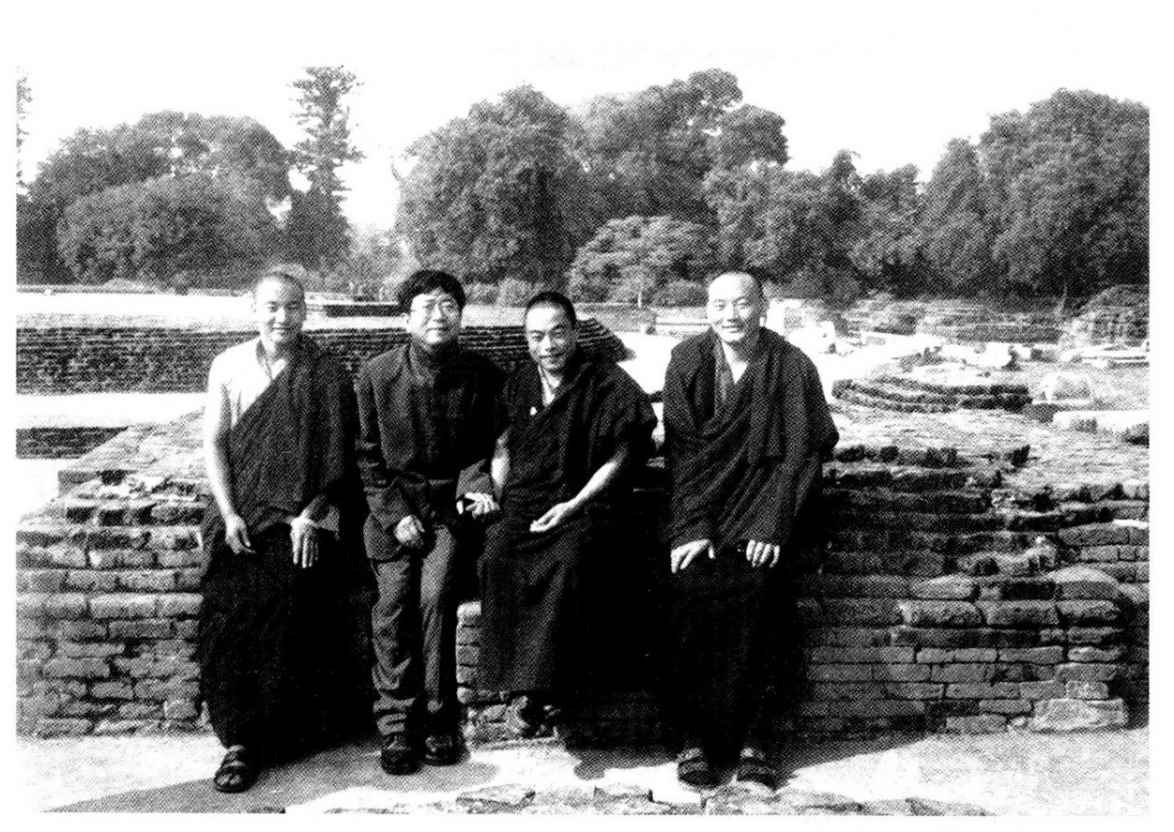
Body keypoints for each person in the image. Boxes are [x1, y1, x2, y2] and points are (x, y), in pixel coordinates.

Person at [662, 271, 838, 790]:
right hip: (701, 513)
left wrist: (771, 523)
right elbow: (683, 454)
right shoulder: (687, 361)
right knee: (686, 590)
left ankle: (754, 739)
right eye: (719, 305)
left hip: (769, 515)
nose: (730, 315)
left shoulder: (791, 366)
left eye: (741, 304)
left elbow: (803, 455)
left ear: (763, 306)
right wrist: (692, 526)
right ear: (707, 310)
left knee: (761, 595)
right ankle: (692, 737)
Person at [198, 269, 363, 793]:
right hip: (242, 515)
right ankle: (237, 737)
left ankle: (269, 736)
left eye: (293, 307)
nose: (282, 317)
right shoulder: (228, 366)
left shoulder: (326, 372)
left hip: (304, 517)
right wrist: (229, 514)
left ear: (305, 312)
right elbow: (215, 444)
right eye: (271, 306)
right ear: (253, 309)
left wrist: (309, 514)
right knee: (226, 609)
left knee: (286, 598)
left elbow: (339, 462)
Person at [477, 291, 657, 737]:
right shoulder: (518, 383)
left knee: (569, 560)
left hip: (587, 503)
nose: (549, 346)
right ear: (526, 341)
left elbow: (624, 452)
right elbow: (501, 447)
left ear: (575, 333)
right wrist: (495, 498)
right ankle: (516, 688)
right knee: (497, 555)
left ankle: (543, 692)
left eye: (558, 333)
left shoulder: (605, 380)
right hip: (526, 501)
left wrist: (574, 504)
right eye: (536, 337)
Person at [356, 269, 504, 775]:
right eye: (425, 307)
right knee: (393, 603)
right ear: (405, 319)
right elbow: (367, 457)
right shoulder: (377, 375)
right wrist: (395, 515)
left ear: (461, 315)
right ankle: (396, 724)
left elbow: (487, 447)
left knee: (436, 598)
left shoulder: (481, 375)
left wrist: (477, 487)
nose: (437, 316)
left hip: (447, 514)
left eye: (448, 306)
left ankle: (440, 719)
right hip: (392, 514)